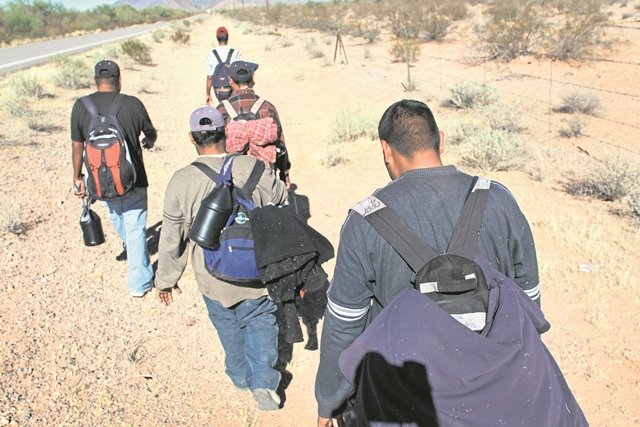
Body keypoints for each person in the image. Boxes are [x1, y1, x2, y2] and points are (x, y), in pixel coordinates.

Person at [315, 100, 541, 427]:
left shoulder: (363, 223)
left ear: (386, 150)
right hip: (490, 392)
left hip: (402, 400)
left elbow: (344, 325)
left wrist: (329, 401)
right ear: (442, 140)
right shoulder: (500, 200)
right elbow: (528, 300)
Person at [155, 106, 287, 411]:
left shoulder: (181, 180)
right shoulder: (251, 167)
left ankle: (240, 376)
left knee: (227, 324)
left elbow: (172, 238)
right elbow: (280, 196)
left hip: (212, 276)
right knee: (260, 321)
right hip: (256, 268)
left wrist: (166, 281)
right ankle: (264, 383)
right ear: (225, 132)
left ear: (192, 138)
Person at [71, 59, 157, 298]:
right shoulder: (132, 103)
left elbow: (77, 147)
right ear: (119, 80)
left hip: (100, 180)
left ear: (95, 81)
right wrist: (148, 142)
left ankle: (131, 247)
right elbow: (150, 132)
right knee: (135, 226)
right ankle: (138, 284)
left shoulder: (81, 106)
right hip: (134, 178)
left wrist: (77, 176)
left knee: (116, 214)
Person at [216, 61, 291, 188]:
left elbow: (216, 146)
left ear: (230, 80)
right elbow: (280, 144)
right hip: (265, 178)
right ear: (252, 78)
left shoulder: (221, 110)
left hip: (235, 179)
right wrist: (285, 175)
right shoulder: (268, 107)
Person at [206, 26, 242, 106]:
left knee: (221, 108)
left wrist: (208, 93)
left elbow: (209, 77)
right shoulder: (236, 53)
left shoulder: (211, 54)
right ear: (228, 37)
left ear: (217, 38)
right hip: (232, 87)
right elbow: (240, 74)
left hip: (218, 89)